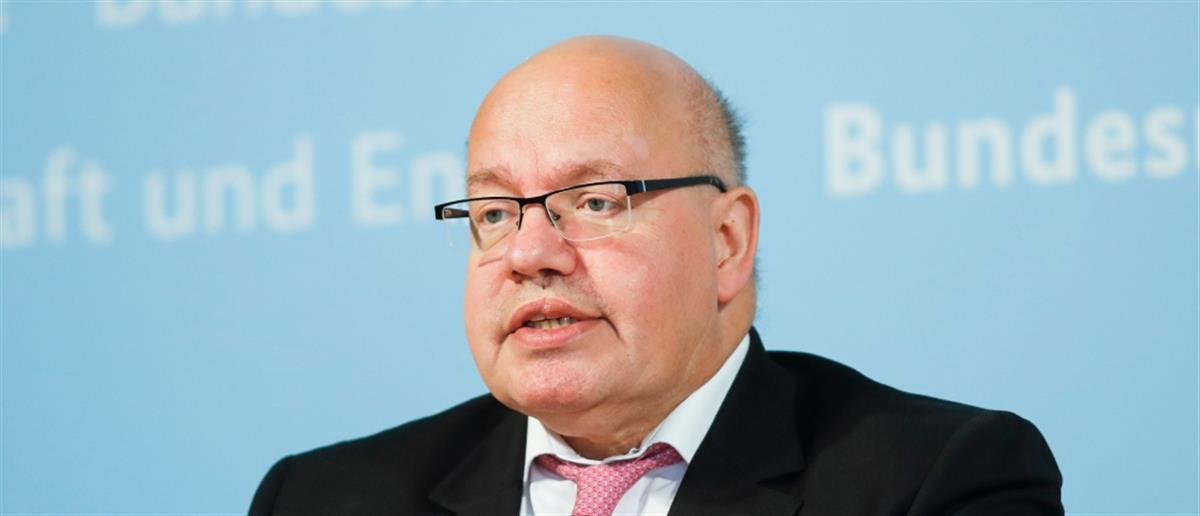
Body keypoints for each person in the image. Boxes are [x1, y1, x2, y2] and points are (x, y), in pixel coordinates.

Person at [249, 36, 1063, 516]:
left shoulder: (936, 481)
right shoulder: (321, 499)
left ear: (727, 241)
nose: (530, 253)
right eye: (494, 213)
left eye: (595, 202)